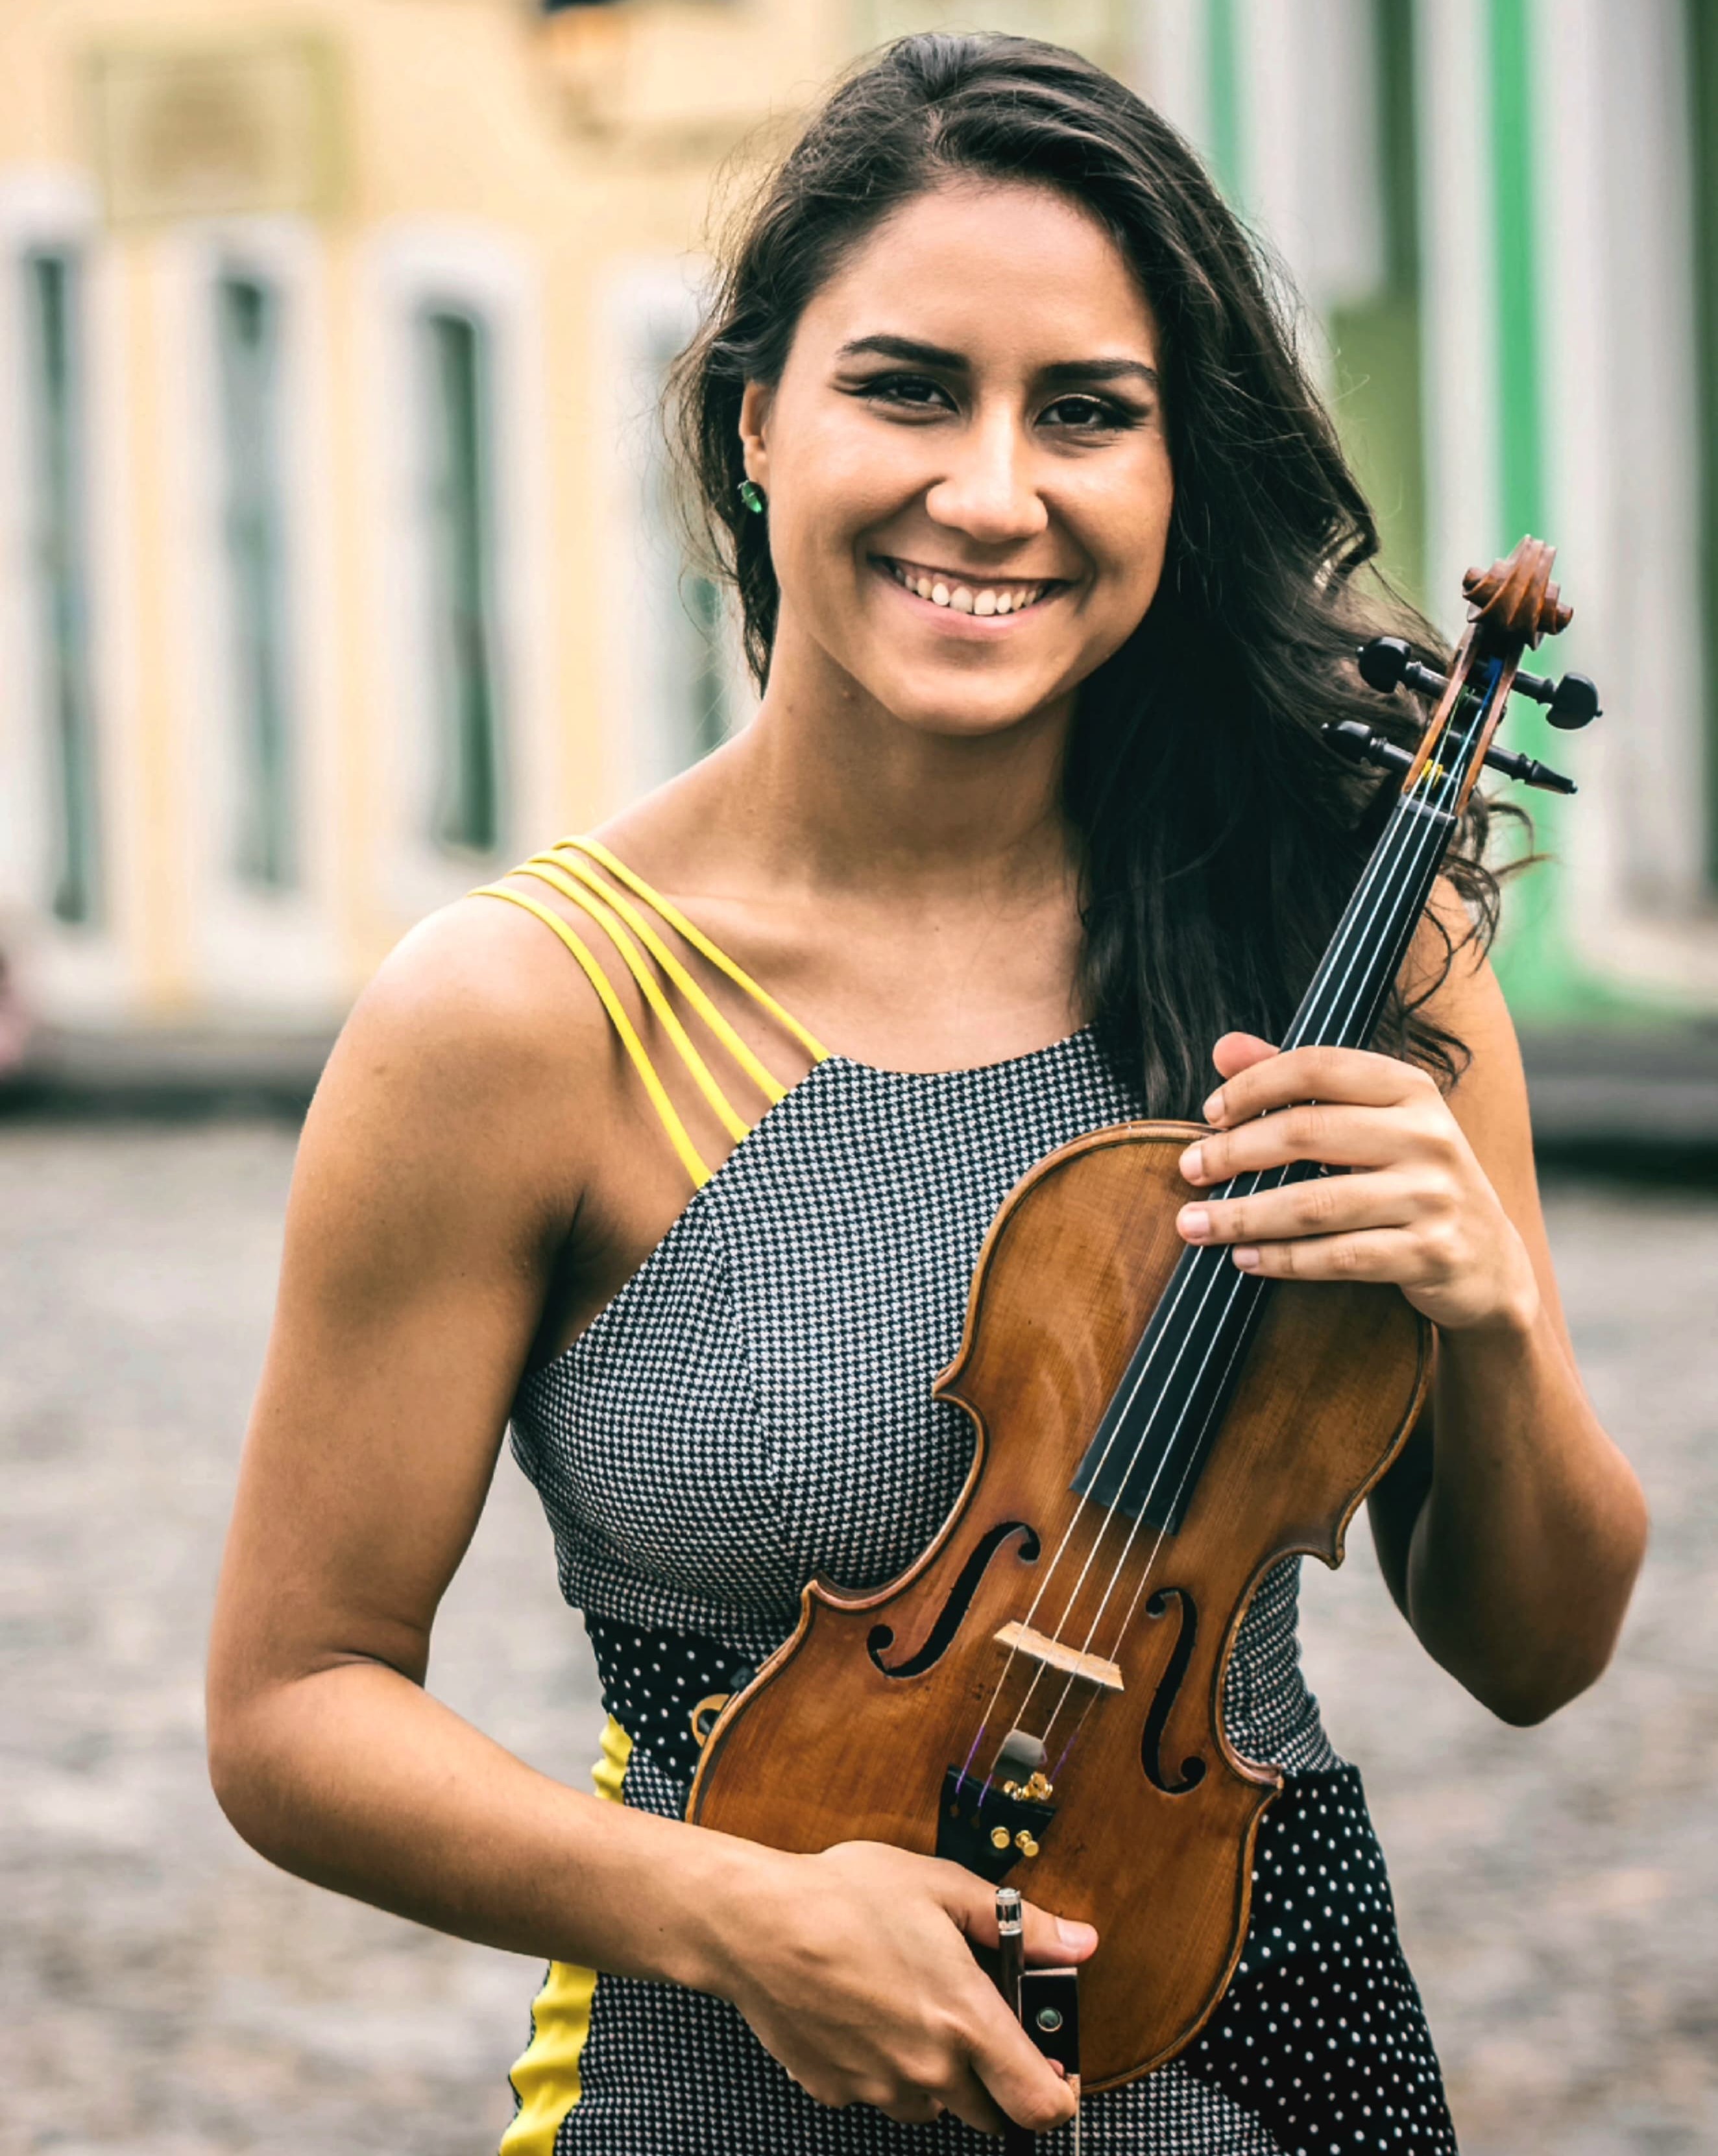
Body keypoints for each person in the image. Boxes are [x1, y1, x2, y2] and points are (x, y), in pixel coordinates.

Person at [206, 33, 1647, 2154]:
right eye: (906, 388)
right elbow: (293, 1704)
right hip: (712, 2081)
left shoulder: (1347, 939)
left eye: (1087, 411)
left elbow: (1535, 1652)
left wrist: (1493, 1314)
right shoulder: (526, 1016)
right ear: (755, 421)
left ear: (1178, 470)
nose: (992, 491)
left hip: (1266, 2054)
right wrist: (739, 1913)